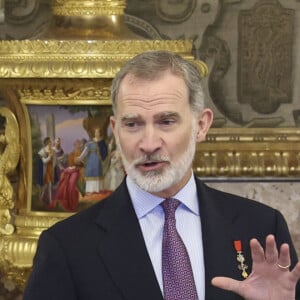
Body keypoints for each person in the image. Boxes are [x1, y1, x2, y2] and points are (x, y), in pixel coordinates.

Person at [24, 50, 300, 300]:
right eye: (132, 124)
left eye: (166, 122)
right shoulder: (67, 247)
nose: (148, 143)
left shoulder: (262, 228)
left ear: (201, 126)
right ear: (115, 130)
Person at [76, 128, 108, 194]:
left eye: (98, 132)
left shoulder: (102, 142)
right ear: (94, 133)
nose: (97, 134)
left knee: (97, 173)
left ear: (100, 133)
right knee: (90, 173)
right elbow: (85, 152)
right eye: (96, 132)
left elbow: (105, 151)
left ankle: (97, 189)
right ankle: (90, 190)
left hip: (98, 161)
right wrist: (79, 158)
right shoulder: (90, 142)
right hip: (90, 161)